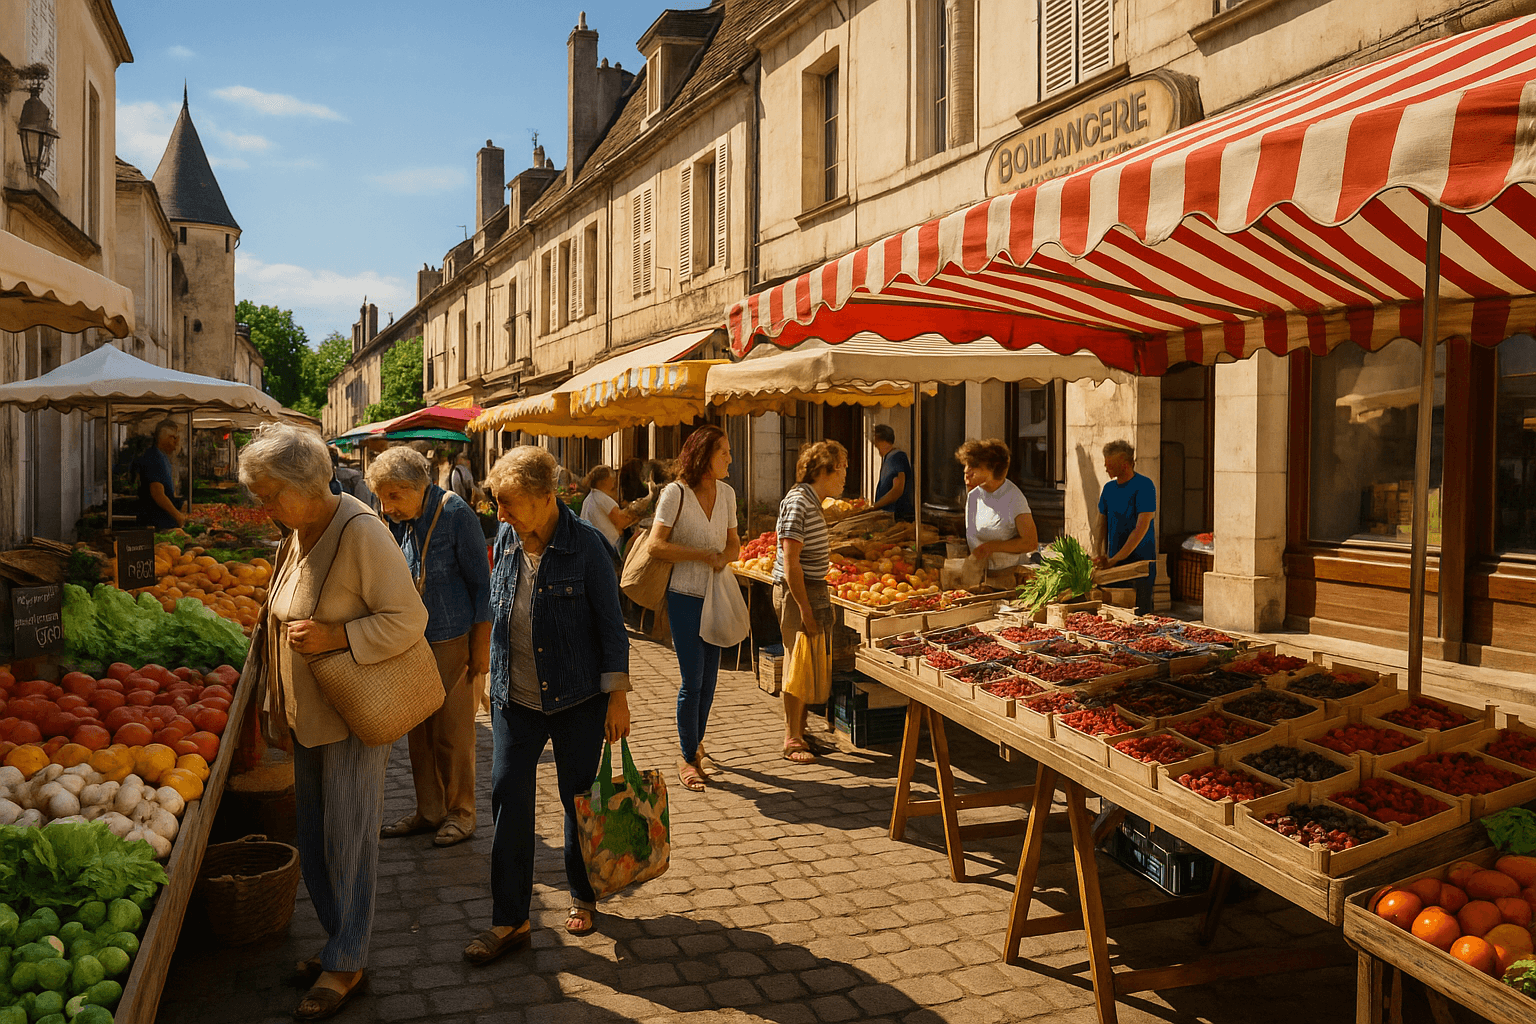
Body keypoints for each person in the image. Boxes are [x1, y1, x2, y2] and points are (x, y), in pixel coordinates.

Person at [238, 424, 428, 1020]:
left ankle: (349, 960)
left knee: (349, 840)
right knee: (316, 839)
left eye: (270, 495)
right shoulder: (294, 533)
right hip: (307, 716)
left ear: (305, 483)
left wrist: (337, 635)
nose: (262, 507)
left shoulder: (362, 533)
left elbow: (409, 619)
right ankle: (338, 944)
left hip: (351, 714)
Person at [464, 446, 631, 963]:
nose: (501, 515)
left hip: (578, 697)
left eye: (510, 504)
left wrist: (617, 697)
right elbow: (499, 605)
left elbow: (610, 625)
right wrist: (487, 676)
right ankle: (510, 919)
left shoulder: (588, 547)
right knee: (508, 799)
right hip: (515, 697)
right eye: (497, 504)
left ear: (546, 497)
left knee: (578, 799)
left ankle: (583, 895)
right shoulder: (509, 539)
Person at [367, 446, 492, 848]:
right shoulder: (402, 521)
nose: (387, 507)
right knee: (418, 733)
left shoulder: (456, 515)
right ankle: (430, 810)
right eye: (382, 498)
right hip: (411, 641)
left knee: (452, 733)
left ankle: (462, 813)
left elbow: (482, 586)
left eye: (394, 496)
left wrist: (482, 647)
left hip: (451, 638)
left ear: (417, 486)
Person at [647, 425, 740, 792]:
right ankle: (686, 757)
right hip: (684, 595)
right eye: (724, 453)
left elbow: (734, 543)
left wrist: (724, 558)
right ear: (704, 457)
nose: (730, 459)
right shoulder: (675, 494)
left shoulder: (728, 494)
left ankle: (696, 745)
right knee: (693, 679)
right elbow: (656, 546)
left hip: (716, 596)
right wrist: (702, 555)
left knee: (711, 680)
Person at [775, 440, 847, 764]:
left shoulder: (812, 501)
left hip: (811, 588)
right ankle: (792, 738)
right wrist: (804, 607)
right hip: (797, 592)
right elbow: (791, 562)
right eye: (841, 468)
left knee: (805, 661)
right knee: (796, 660)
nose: (846, 475)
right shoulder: (798, 501)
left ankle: (800, 731)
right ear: (822, 471)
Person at [958, 439, 1039, 587]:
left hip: (1009, 580)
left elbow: (1030, 542)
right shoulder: (974, 495)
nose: (966, 471)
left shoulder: (1014, 497)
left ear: (992, 468)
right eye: (966, 465)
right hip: (980, 579)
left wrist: (991, 547)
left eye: (974, 466)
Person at [1093, 439, 1158, 613]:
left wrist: (1115, 559)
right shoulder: (1108, 489)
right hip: (1114, 567)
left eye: (1110, 464)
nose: (1106, 468)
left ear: (1124, 465)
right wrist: (1098, 553)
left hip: (1139, 567)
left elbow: (1140, 529)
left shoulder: (1144, 486)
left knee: (1141, 617)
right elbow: (1101, 524)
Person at [578, 465, 653, 553]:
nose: (614, 482)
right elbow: (621, 522)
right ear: (605, 480)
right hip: (605, 547)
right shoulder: (602, 498)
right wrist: (636, 514)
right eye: (612, 478)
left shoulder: (591, 497)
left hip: (594, 546)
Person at [135, 420, 185, 529]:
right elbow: (157, 493)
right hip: (155, 523)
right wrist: (178, 516)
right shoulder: (154, 458)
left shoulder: (163, 457)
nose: (176, 442)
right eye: (174, 437)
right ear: (163, 438)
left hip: (163, 521)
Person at [869, 424, 914, 522]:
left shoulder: (898, 457)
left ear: (884, 441)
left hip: (898, 517)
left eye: (876, 440)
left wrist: (874, 506)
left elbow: (898, 490)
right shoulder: (888, 458)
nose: (875, 444)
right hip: (887, 515)